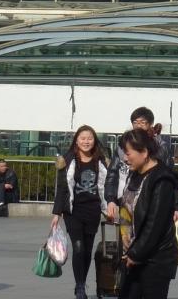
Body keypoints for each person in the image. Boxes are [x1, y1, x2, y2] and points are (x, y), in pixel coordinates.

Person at [118, 129, 178, 299]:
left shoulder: (162, 179)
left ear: (144, 152)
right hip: (133, 254)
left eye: (128, 153)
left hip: (155, 259)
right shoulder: (134, 174)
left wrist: (136, 253)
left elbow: (155, 224)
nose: (125, 158)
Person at [52, 125, 109, 299]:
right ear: (76, 140)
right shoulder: (68, 159)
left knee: (87, 250)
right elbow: (62, 188)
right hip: (73, 212)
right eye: (83, 138)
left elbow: (107, 186)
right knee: (78, 248)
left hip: (93, 211)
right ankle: (80, 287)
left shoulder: (101, 160)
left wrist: (109, 206)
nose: (86, 141)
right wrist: (57, 213)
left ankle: (82, 282)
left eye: (89, 138)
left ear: (94, 140)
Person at [106, 106, 174, 224]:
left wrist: (174, 207)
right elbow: (112, 173)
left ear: (150, 124)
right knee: (126, 232)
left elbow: (170, 178)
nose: (138, 125)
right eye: (135, 122)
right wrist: (111, 199)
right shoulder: (123, 146)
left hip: (150, 201)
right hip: (126, 199)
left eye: (143, 122)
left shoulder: (160, 146)